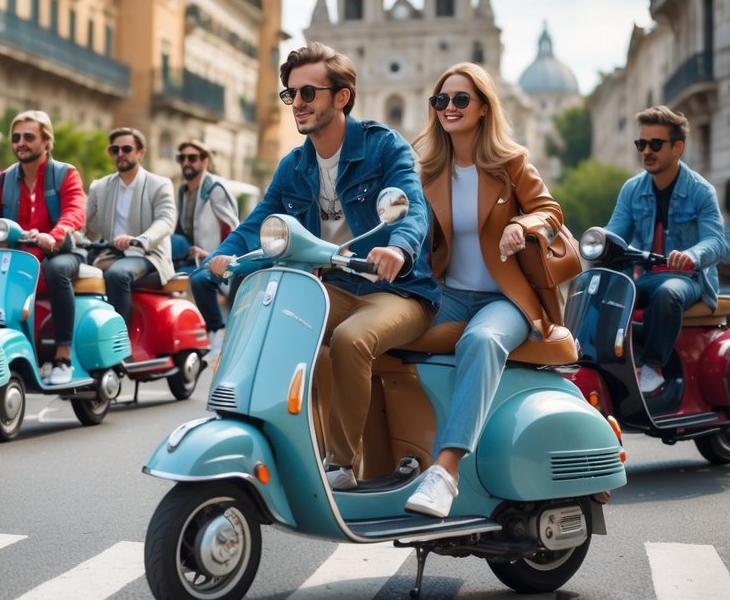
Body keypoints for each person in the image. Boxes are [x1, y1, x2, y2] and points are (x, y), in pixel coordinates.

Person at [205, 43, 438, 491]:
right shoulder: (294, 165)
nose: (298, 104)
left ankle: (342, 465)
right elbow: (261, 222)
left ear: (341, 97)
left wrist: (400, 249)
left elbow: (411, 207)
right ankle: (266, 437)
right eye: (291, 94)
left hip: (400, 291)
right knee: (268, 317)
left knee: (350, 341)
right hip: (327, 287)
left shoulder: (383, 146)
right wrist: (224, 257)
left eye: (308, 93)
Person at [404, 62, 568, 518]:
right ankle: (384, 458)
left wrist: (522, 222)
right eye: (441, 100)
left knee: (481, 339)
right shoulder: (426, 170)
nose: (449, 108)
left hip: (505, 297)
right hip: (448, 294)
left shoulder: (510, 162)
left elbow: (550, 211)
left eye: (460, 100)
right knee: (377, 333)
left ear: (482, 108)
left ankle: (445, 472)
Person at [605, 106, 728, 395]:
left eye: (655, 144)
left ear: (677, 147)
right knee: (606, 290)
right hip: (647, 276)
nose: (646, 151)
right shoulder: (631, 189)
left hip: (690, 280)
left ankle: (653, 369)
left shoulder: (701, 190)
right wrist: (595, 244)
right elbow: (614, 234)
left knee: (668, 293)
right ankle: (595, 357)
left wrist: (692, 255)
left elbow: (716, 242)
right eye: (641, 144)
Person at [0, 110, 86, 384]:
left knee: (56, 271)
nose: (21, 143)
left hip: (60, 251)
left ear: (46, 142)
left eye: (29, 137)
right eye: (16, 138)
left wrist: (56, 233)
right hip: (20, 255)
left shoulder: (65, 174)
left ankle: (63, 354)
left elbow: (75, 210)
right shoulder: (5, 178)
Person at [84, 127, 176, 325]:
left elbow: (166, 220)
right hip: (110, 254)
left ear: (141, 153)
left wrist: (142, 239)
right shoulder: (99, 187)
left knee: (117, 274)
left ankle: (119, 341)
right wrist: (63, 235)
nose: (120, 154)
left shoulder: (159, 184)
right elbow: (82, 222)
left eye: (126, 149)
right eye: (114, 150)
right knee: (72, 271)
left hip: (148, 255)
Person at [173, 139, 239, 358]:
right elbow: (182, 230)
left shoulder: (214, 188)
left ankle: (217, 330)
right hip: (191, 255)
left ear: (204, 161)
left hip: (217, 255)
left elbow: (232, 226)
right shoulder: (183, 191)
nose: (186, 162)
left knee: (199, 281)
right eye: (182, 158)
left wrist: (217, 254)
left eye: (192, 158)